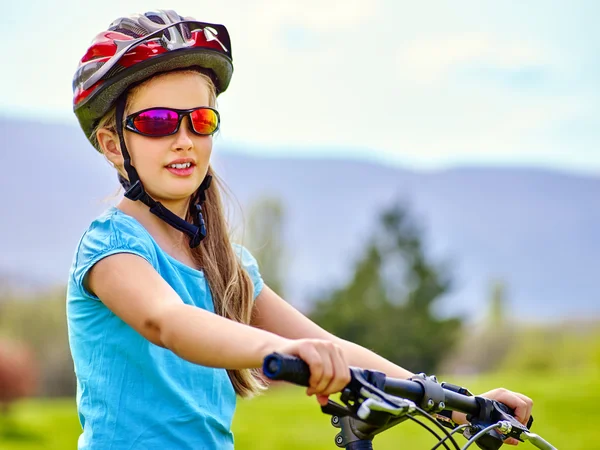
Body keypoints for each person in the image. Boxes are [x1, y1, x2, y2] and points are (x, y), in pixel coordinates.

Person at [67, 9, 533, 449]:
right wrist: (286, 350)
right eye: (158, 122)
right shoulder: (112, 247)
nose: (184, 138)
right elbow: (167, 322)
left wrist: (460, 404)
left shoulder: (226, 265)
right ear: (112, 145)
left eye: (200, 120)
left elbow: (331, 346)